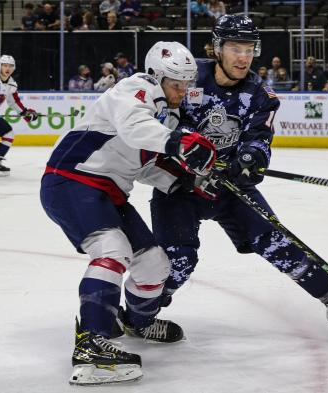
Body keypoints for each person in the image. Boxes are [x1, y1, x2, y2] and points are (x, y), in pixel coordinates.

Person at [140, 15, 328, 344]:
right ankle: (138, 317)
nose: (243, 57)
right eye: (234, 48)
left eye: (249, 49)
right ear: (217, 48)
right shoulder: (187, 77)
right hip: (179, 188)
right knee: (177, 261)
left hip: (229, 187)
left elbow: (259, 138)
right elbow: (158, 122)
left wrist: (250, 160)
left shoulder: (260, 94)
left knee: (276, 241)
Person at [40, 41, 216, 385]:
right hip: (71, 180)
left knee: (154, 262)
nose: (182, 92)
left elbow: (145, 163)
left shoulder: (168, 115)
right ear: (157, 75)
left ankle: (137, 320)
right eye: (176, 84)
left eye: (186, 85)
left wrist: (186, 182)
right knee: (112, 250)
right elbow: (135, 129)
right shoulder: (136, 88)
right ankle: (91, 343)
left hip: (110, 193)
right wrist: (178, 143)